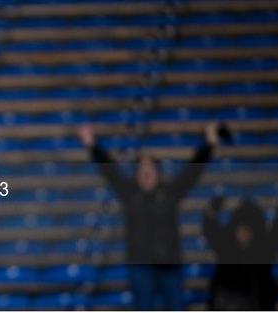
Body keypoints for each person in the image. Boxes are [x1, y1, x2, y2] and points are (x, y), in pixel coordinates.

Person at [78, 123, 221, 310]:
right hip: (141, 264)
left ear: (157, 172)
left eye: (150, 169)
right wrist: (92, 145)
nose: (146, 173)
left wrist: (209, 145)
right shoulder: (130, 193)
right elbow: (109, 170)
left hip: (169, 263)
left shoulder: (170, 192)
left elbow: (192, 172)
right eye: (142, 169)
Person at [203, 196, 278, 310]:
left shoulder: (264, 250)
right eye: (240, 229)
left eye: (247, 229)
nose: (244, 233)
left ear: (254, 231)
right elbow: (210, 228)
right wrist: (214, 207)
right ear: (234, 230)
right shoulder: (225, 248)